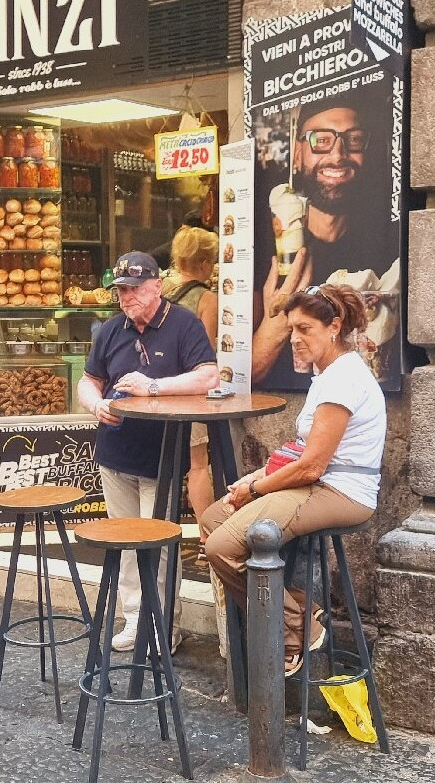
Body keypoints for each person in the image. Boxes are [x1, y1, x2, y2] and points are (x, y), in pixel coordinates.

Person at [202, 284, 386, 677]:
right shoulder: (329, 374)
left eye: (305, 329)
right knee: (213, 519)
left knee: (221, 547)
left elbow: (312, 466)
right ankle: (302, 608)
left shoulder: (343, 379)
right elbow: (302, 452)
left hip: (340, 491)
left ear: (333, 326)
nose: (294, 339)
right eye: (291, 329)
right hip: (317, 482)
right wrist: (258, 476)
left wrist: (254, 488)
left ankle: (291, 630)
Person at [77, 251, 218, 653]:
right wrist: (96, 405)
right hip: (114, 452)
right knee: (125, 543)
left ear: (158, 285)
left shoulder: (183, 324)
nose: (127, 297)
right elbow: (89, 381)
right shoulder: (111, 330)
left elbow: (208, 377)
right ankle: (134, 619)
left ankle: (163, 626)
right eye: (121, 290)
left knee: (158, 546)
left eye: (135, 288)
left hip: (162, 456)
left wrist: (154, 387)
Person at [252, 90, 399, 388]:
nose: (337, 155)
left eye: (353, 140)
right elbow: (240, 376)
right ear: (297, 154)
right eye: (320, 140)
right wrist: (278, 324)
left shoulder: (387, 247)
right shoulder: (265, 246)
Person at [160, 226, 218, 522]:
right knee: (198, 465)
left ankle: (158, 529)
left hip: (159, 390)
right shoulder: (206, 299)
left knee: (163, 464)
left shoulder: (161, 292)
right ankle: (207, 535)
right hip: (192, 392)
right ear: (205, 264)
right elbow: (206, 352)